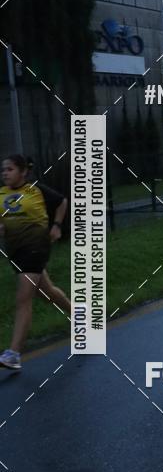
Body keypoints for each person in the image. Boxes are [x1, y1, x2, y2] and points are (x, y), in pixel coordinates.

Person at [0, 155, 71, 370]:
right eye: (3, 170)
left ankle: (13, 354)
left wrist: (57, 225)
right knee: (47, 291)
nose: (5, 173)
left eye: (10, 169)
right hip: (16, 252)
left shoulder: (36, 190)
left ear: (23, 172)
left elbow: (62, 202)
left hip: (36, 247)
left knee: (23, 299)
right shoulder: (1, 193)